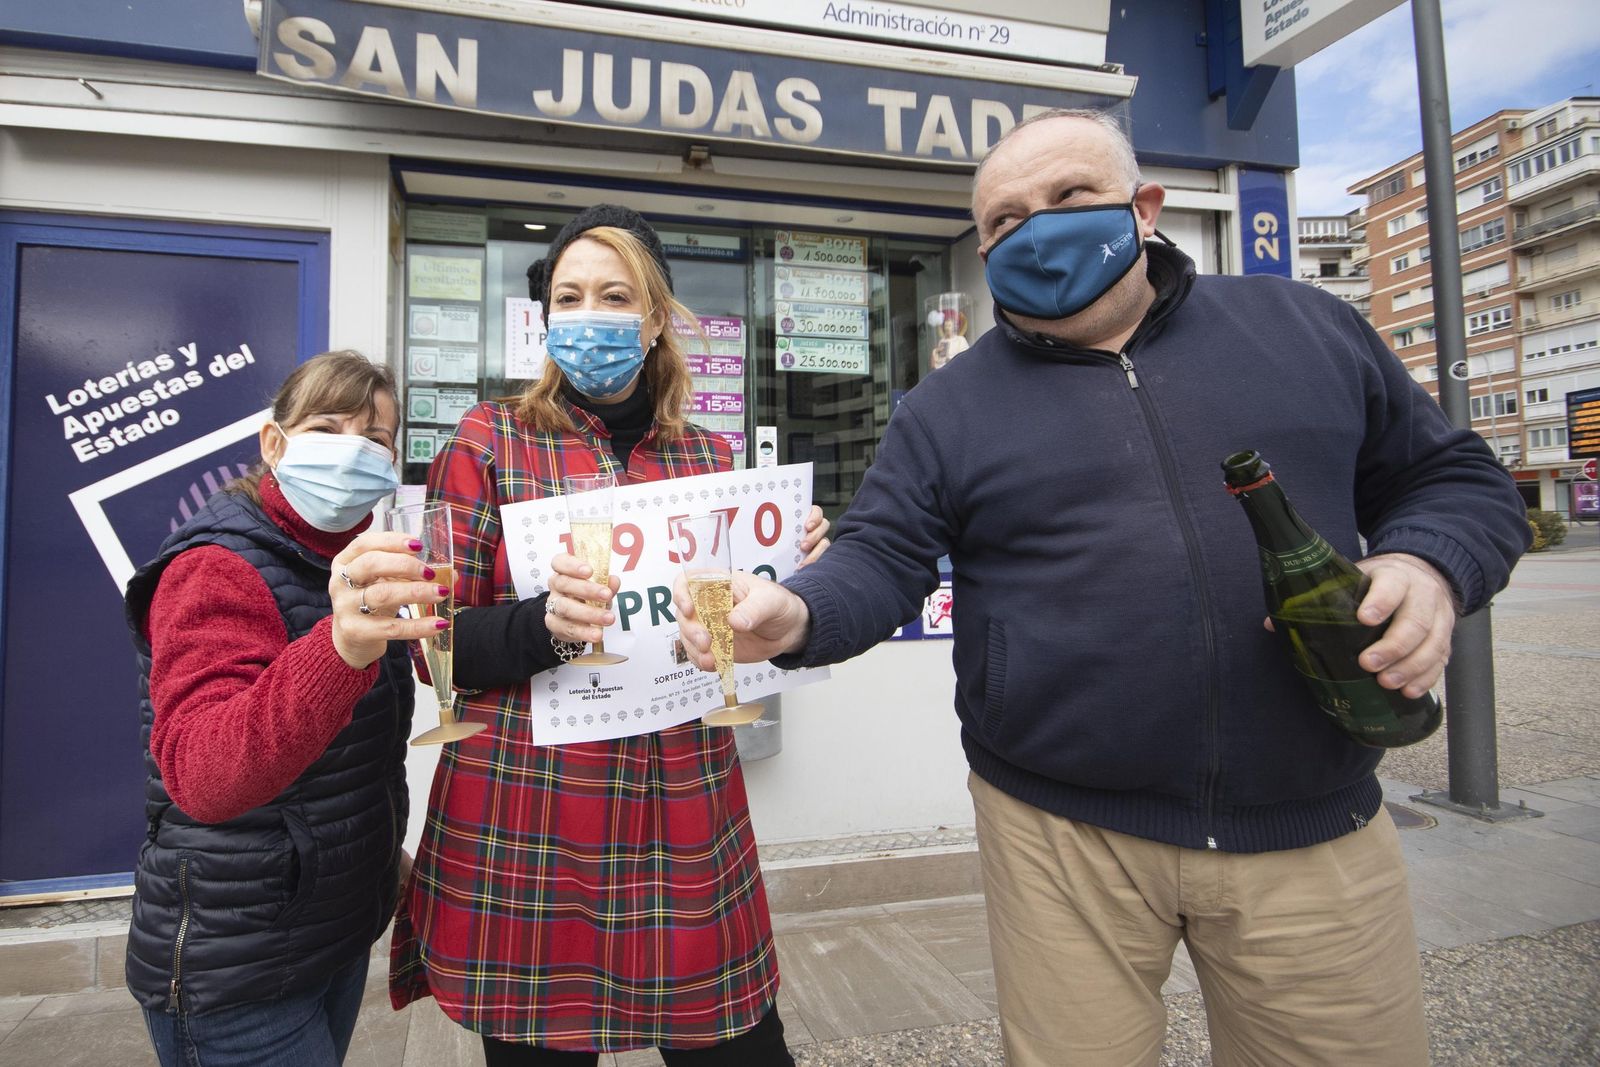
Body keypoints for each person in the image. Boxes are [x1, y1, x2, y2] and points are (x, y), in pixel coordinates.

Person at [674, 110, 1532, 1066]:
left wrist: (1427, 565)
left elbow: (1456, 480)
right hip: (1059, 837)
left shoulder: (1306, 328)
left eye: (1069, 197)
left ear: (1146, 208)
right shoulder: (946, 408)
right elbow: (881, 554)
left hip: (1310, 827)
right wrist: (794, 614)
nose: (1034, 229)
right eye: (1002, 220)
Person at [388, 205, 828, 1066]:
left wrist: (796, 568)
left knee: (739, 1042)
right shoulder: (489, 440)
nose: (589, 315)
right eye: (569, 296)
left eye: (614, 294)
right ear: (546, 317)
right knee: (541, 1048)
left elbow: (747, 626)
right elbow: (432, 645)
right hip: (534, 810)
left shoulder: (707, 458)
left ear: (655, 315)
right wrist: (540, 625)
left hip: (683, 809)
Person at [124, 350, 443, 1066]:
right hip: (239, 973)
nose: (351, 452)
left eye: (376, 439)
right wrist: (339, 648)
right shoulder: (216, 568)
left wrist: (378, 852)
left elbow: (343, 760)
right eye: (328, 427)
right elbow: (204, 775)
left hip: (325, 936)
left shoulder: (353, 559)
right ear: (275, 444)